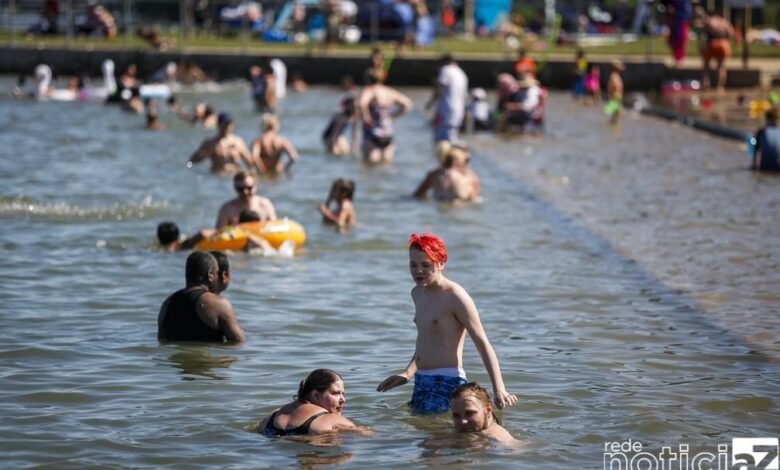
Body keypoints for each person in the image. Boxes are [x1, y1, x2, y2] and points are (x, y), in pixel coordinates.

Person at [376, 232, 517, 414]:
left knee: (445, 438)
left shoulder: (456, 296)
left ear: (441, 264)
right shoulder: (417, 293)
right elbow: (427, 339)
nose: (418, 270)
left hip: (447, 381)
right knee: (423, 437)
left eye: (426, 265)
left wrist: (499, 388)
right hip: (421, 380)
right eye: (413, 265)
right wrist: (408, 373)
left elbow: (482, 343)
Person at [158, 251, 246, 343]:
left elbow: (161, 341)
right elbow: (238, 343)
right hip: (207, 357)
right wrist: (241, 333)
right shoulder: (218, 304)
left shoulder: (167, 304)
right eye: (216, 273)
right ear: (210, 275)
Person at [258, 369, 366, 437]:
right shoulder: (330, 420)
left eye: (343, 394)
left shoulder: (271, 417)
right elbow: (367, 437)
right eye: (335, 393)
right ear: (315, 395)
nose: (343, 399)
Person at [357, 68, 413, 164]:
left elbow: (361, 103)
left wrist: (366, 117)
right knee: (385, 167)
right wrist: (393, 116)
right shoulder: (389, 91)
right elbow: (408, 104)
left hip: (372, 132)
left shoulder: (369, 90)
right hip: (387, 133)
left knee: (369, 168)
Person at [451, 382, 519, 445]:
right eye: (456, 415)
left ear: (488, 410)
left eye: (469, 413)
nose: (462, 421)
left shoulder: (494, 437)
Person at [188, 113, 254, 174]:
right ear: (218, 125)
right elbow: (191, 161)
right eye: (225, 124)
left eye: (229, 124)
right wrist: (205, 154)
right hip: (216, 176)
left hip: (233, 175)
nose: (227, 127)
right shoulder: (210, 143)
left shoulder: (238, 142)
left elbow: (250, 163)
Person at [413, 143, 480, 203]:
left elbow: (418, 195)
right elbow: (473, 199)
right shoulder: (471, 177)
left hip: (439, 208)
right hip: (459, 210)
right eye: (467, 161)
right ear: (460, 160)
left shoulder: (434, 174)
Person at [428, 54, 468, 143]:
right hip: (458, 111)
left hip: (446, 110)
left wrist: (430, 103)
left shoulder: (446, 70)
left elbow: (439, 88)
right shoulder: (461, 73)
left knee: (442, 142)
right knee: (452, 137)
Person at [701, 10, 734, 95]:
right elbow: (731, 34)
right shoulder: (724, 22)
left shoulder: (710, 20)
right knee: (721, 67)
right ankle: (719, 88)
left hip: (712, 43)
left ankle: (706, 84)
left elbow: (703, 32)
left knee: (706, 66)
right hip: (723, 44)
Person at [606, 60, 624, 125]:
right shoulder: (613, 76)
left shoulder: (616, 76)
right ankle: (614, 133)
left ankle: (614, 132)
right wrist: (613, 101)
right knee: (616, 118)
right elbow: (612, 88)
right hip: (615, 100)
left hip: (616, 99)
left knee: (616, 118)